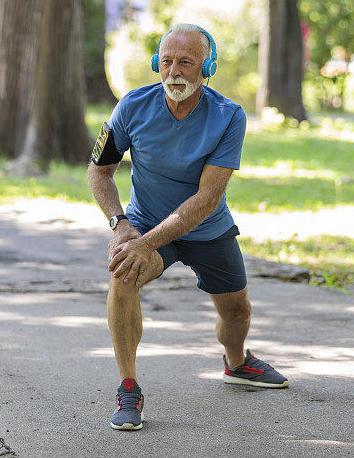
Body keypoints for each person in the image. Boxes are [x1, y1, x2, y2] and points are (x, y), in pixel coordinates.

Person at [87, 23, 289, 432]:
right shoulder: (130, 106)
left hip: (207, 228)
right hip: (144, 223)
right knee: (123, 273)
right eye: (166, 62)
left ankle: (236, 362)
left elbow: (206, 199)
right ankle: (129, 387)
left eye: (186, 62)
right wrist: (121, 226)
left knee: (237, 312)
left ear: (207, 67)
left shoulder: (229, 116)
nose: (174, 72)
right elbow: (99, 171)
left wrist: (147, 241)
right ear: (155, 64)